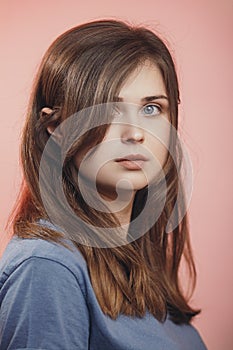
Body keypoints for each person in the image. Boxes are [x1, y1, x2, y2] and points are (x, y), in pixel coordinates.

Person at [0, 19, 207, 349]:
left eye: (152, 108)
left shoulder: (141, 269)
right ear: (56, 126)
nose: (135, 133)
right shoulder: (48, 267)